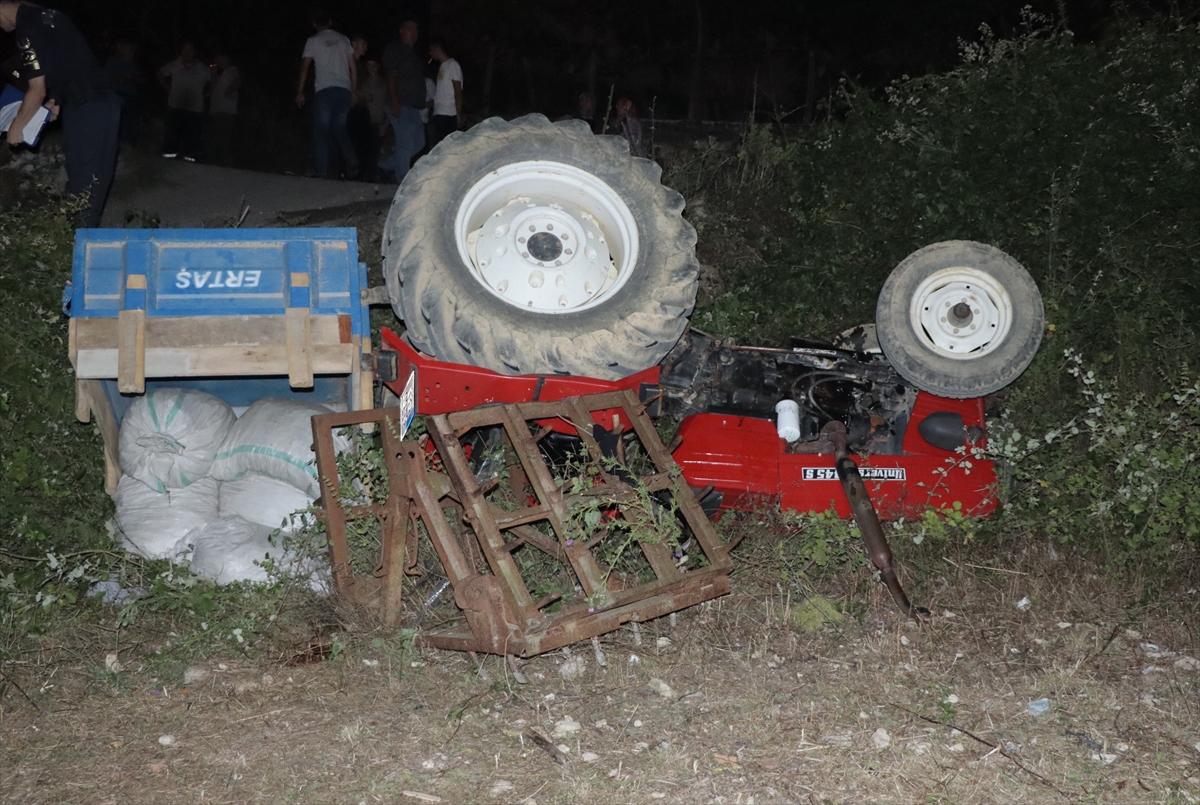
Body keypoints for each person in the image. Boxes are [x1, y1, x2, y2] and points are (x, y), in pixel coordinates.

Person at [0, 0, 120, 227]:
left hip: (86, 109)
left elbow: (36, 90)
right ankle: (88, 242)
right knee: (96, 181)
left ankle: (75, 248)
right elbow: (70, 62)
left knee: (81, 185)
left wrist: (16, 126)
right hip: (105, 103)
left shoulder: (25, 30)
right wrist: (56, 100)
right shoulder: (51, 16)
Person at [295, 8, 358, 179]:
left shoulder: (313, 41)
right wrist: (353, 91)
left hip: (324, 90)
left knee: (321, 130)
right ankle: (351, 157)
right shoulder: (344, 40)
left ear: (315, 24)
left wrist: (300, 91)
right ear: (330, 22)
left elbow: (305, 67)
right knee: (339, 127)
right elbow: (353, 67)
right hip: (343, 90)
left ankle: (321, 171)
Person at [379, 18, 424, 182]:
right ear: (401, 31)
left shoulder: (412, 54)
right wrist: (395, 101)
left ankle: (384, 165)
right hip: (400, 104)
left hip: (413, 107)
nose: (413, 32)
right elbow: (390, 76)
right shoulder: (395, 49)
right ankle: (402, 181)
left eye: (416, 29)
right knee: (405, 144)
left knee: (419, 142)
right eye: (409, 28)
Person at [158, 42, 209, 161]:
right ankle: (168, 158)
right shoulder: (174, 64)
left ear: (195, 52)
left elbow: (213, 81)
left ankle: (190, 159)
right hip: (175, 105)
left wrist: (207, 94)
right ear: (181, 52)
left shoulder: (203, 68)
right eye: (185, 49)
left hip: (194, 108)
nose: (187, 52)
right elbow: (160, 73)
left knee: (192, 135)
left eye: (190, 50)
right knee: (172, 133)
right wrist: (167, 88)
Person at [346, 35, 378, 181]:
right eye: (362, 44)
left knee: (364, 144)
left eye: (366, 44)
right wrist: (362, 95)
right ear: (354, 44)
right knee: (353, 142)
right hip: (352, 107)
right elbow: (349, 85)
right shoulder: (348, 61)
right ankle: (349, 175)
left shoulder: (361, 64)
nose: (365, 47)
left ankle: (360, 176)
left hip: (362, 107)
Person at [105, 37, 143, 146]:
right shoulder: (113, 61)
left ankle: (130, 145)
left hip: (133, 97)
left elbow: (141, 79)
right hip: (118, 96)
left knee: (133, 123)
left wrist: (130, 78)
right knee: (120, 123)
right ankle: (119, 144)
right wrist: (126, 78)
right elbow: (112, 77)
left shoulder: (133, 63)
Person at [426, 36, 462, 150]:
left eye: (431, 50)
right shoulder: (442, 67)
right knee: (437, 146)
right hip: (439, 113)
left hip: (448, 114)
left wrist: (459, 114)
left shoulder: (453, 65)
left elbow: (458, 90)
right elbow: (443, 93)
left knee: (444, 148)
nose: (430, 53)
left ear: (437, 49)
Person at [207, 49, 240, 166]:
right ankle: (215, 165)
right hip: (215, 110)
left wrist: (230, 89)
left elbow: (238, 81)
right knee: (214, 138)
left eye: (218, 58)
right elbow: (212, 90)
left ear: (224, 58)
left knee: (223, 140)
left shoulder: (232, 70)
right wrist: (212, 74)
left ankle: (229, 165)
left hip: (226, 111)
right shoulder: (219, 75)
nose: (216, 61)